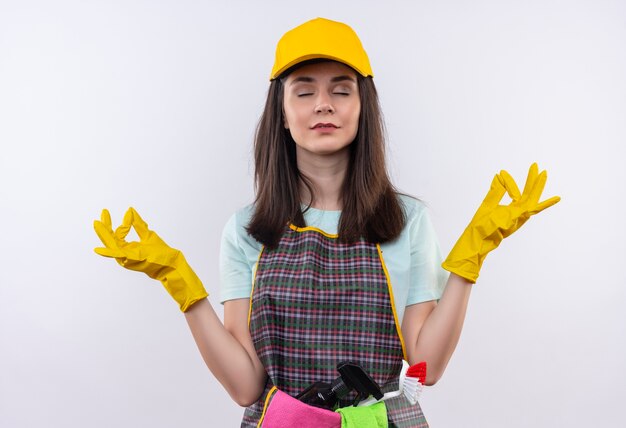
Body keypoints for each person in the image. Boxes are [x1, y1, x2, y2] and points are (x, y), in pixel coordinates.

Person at [93, 17, 560, 428]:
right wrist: (183, 287)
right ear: (282, 111)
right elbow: (245, 385)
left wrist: (468, 263)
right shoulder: (247, 230)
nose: (324, 104)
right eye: (304, 90)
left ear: (363, 107)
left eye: (341, 89)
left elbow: (426, 365)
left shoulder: (407, 222)